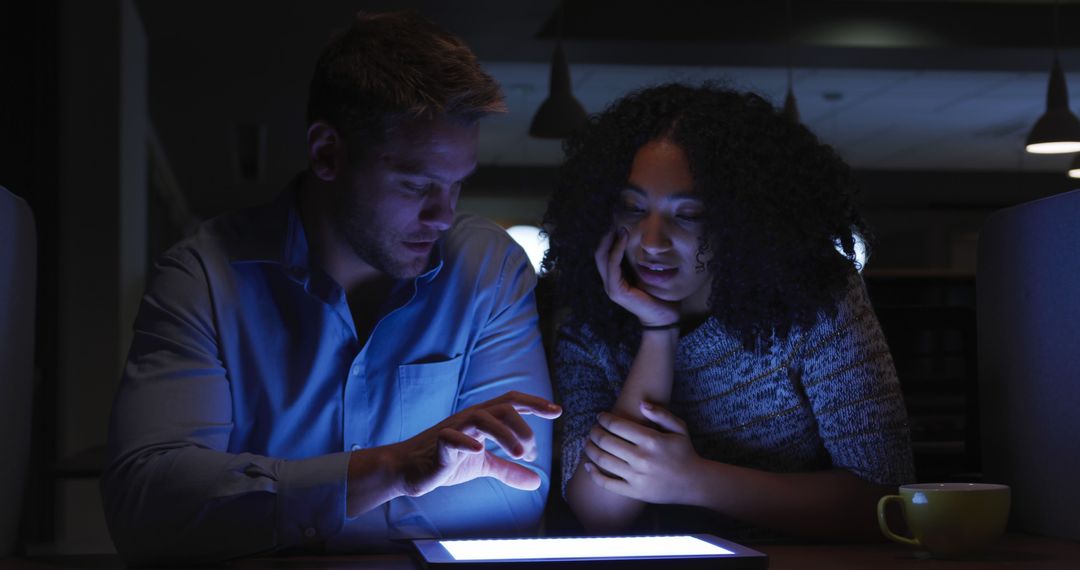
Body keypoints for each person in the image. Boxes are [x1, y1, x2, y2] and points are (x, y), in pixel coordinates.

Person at [101, 11, 560, 565]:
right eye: (416, 184)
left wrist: (284, 511)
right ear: (326, 153)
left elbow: (512, 495)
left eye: (458, 184)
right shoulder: (203, 277)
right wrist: (393, 470)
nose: (443, 214)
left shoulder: (488, 269)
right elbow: (148, 507)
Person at [542, 82, 915, 539]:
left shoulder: (817, 297)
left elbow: (887, 498)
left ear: (742, 219)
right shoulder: (591, 328)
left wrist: (696, 482)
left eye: (689, 214)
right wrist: (658, 331)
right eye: (633, 208)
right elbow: (600, 512)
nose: (651, 240)